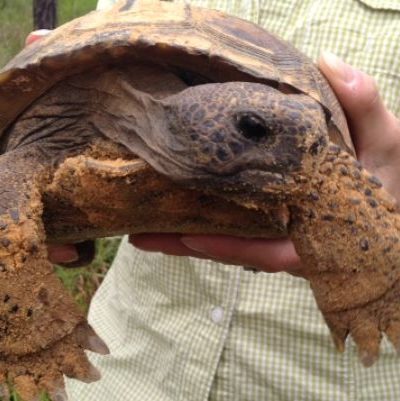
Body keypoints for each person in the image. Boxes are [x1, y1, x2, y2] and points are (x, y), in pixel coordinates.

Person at [35, 0, 400, 399]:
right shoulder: (78, 105)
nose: (306, 145)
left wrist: (379, 234)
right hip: (128, 368)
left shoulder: (305, 152)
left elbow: (311, 148)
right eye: (252, 128)